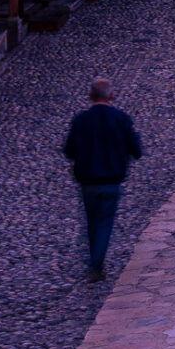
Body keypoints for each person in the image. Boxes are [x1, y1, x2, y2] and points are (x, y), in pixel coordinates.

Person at [63, 78, 142, 281]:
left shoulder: (81, 120)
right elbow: (136, 149)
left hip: (88, 181)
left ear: (90, 96)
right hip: (111, 180)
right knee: (104, 222)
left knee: (92, 222)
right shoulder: (120, 118)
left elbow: (69, 150)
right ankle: (96, 264)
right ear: (111, 95)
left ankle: (95, 261)